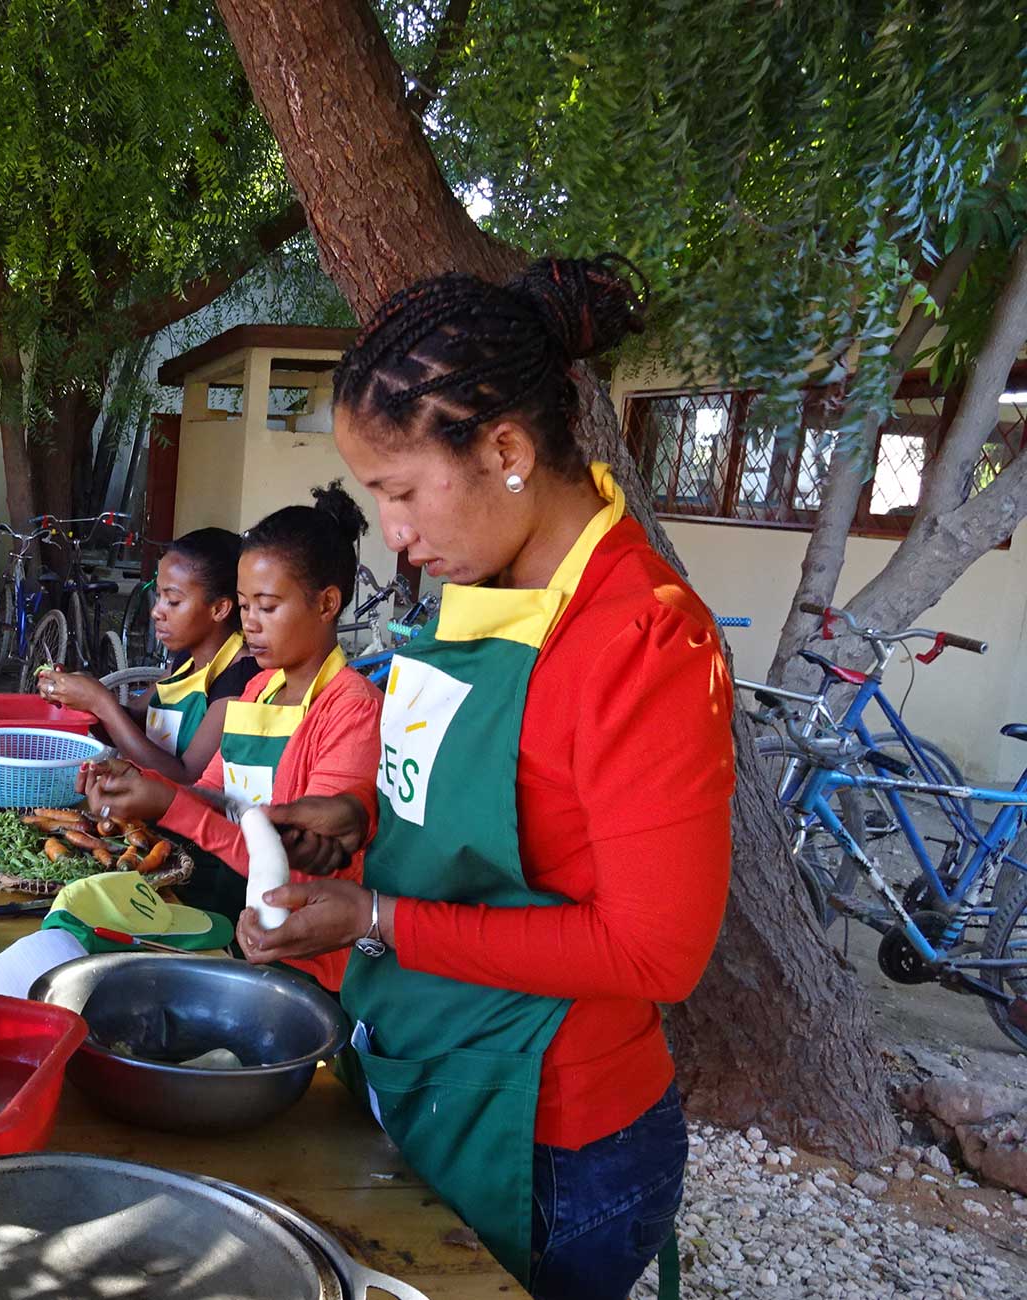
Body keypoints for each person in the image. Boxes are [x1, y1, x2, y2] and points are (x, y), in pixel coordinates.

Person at [239, 256, 732, 1299]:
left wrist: (373, 915)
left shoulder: (643, 641)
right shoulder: (481, 586)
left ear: (504, 449)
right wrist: (348, 818)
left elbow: (654, 951)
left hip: (551, 1139)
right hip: (423, 1067)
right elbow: (463, 794)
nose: (394, 536)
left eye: (401, 490)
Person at [78, 485, 382, 992]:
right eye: (244, 606)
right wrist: (140, 787)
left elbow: (296, 865)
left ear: (327, 603)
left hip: (302, 959)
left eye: (267, 606)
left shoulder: (352, 710)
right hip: (228, 919)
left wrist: (169, 805)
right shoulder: (261, 688)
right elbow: (215, 794)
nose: (250, 624)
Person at [37, 527, 255, 785]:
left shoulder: (240, 676)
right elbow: (134, 723)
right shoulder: (186, 660)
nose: (156, 612)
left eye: (172, 601)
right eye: (159, 595)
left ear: (219, 608)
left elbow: (186, 777)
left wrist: (100, 702)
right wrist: (82, 699)